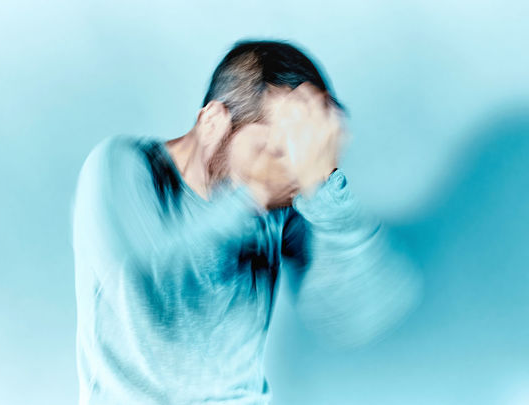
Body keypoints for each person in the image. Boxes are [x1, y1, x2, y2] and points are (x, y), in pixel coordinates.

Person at [71, 39, 421, 405]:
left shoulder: (278, 198)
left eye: (295, 157)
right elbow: (144, 277)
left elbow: (357, 309)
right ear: (212, 123)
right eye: (270, 151)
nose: (285, 175)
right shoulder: (124, 165)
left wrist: (324, 189)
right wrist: (254, 197)